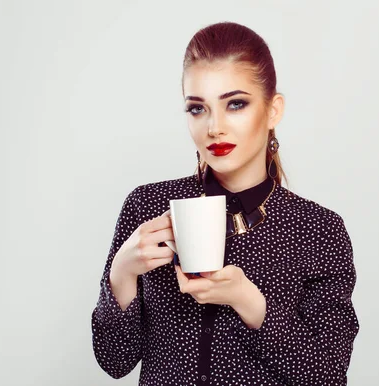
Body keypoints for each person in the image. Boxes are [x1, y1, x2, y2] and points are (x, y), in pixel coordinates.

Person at [91, 21, 359, 385]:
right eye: (197, 109)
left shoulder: (318, 229)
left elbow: (327, 377)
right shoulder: (148, 206)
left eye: (235, 104)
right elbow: (114, 362)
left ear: (273, 110)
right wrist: (121, 274)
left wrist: (250, 303)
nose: (214, 127)